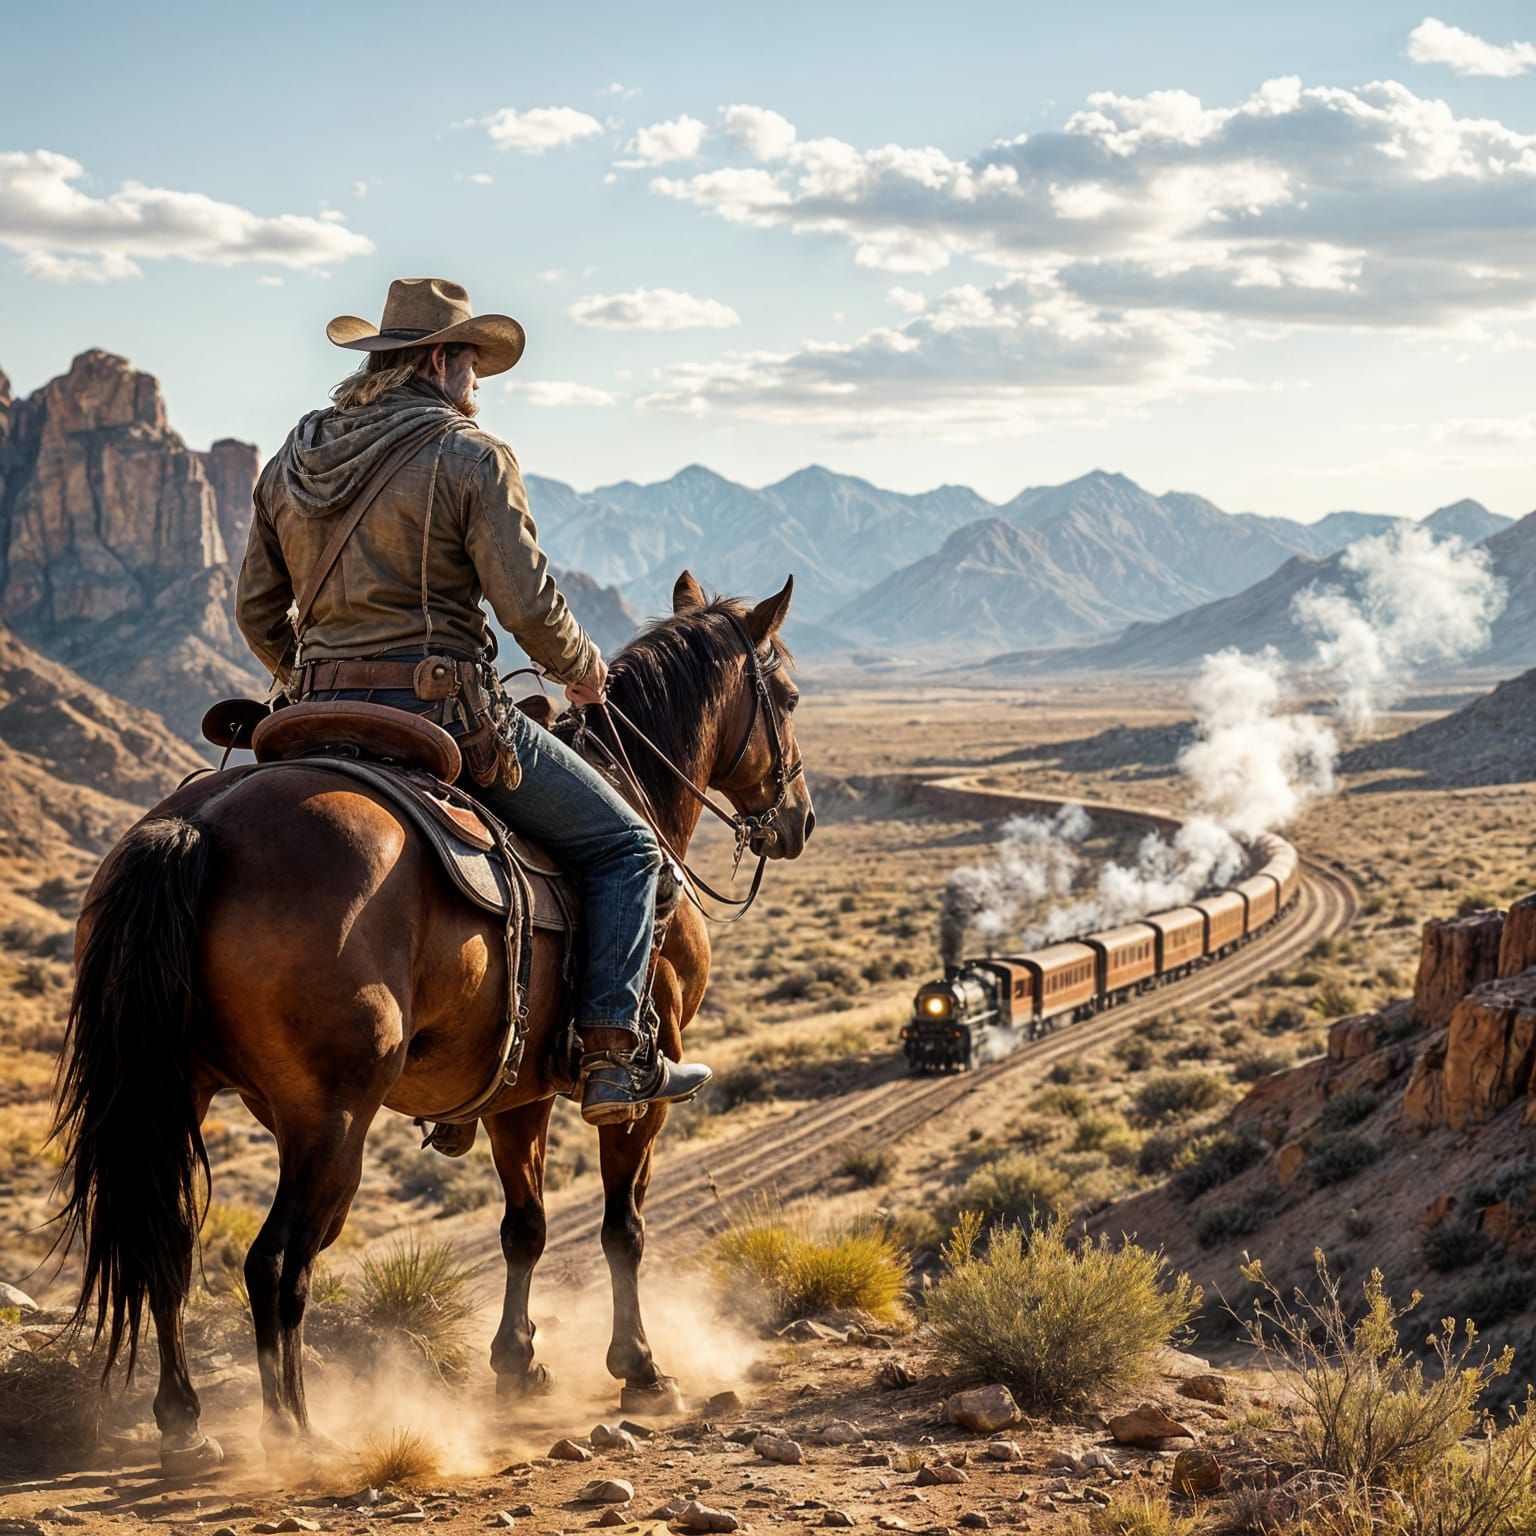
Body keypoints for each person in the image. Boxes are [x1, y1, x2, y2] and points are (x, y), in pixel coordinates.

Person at [235, 276, 711, 1133]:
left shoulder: (292, 463)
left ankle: (454, 1087)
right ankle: (608, 1052)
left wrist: (311, 673)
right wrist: (580, 667)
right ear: (439, 360)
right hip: (442, 713)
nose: (480, 383)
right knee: (629, 850)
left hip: (313, 712)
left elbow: (255, 613)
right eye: (474, 363)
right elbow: (526, 604)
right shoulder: (470, 456)